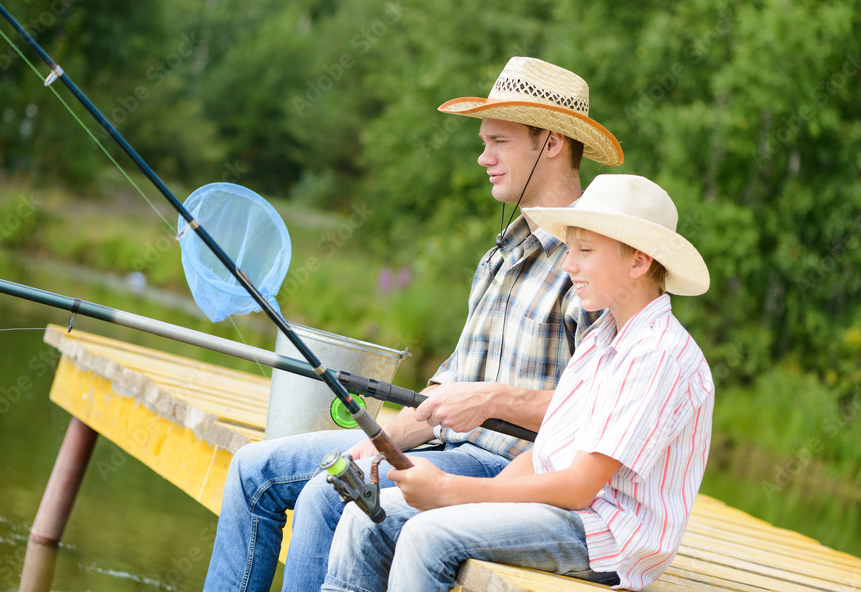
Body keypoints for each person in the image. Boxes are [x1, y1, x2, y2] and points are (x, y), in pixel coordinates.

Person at [202, 57, 624, 591]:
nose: (482, 157)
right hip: (440, 445)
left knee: (324, 497)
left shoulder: (592, 266)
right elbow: (450, 388)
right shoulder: (502, 251)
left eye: (499, 141)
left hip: (509, 473)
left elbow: (597, 417)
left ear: (551, 143)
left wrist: (493, 400)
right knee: (252, 471)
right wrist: (382, 439)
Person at [322, 174, 714, 592]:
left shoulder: (656, 354)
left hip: (603, 535)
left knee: (427, 535)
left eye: (584, 251)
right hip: (562, 509)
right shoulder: (603, 339)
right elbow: (546, 455)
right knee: (370, 514)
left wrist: (449, 491)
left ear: (638, 262)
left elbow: (579, 486)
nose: (568, 264)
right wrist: (474, 496)